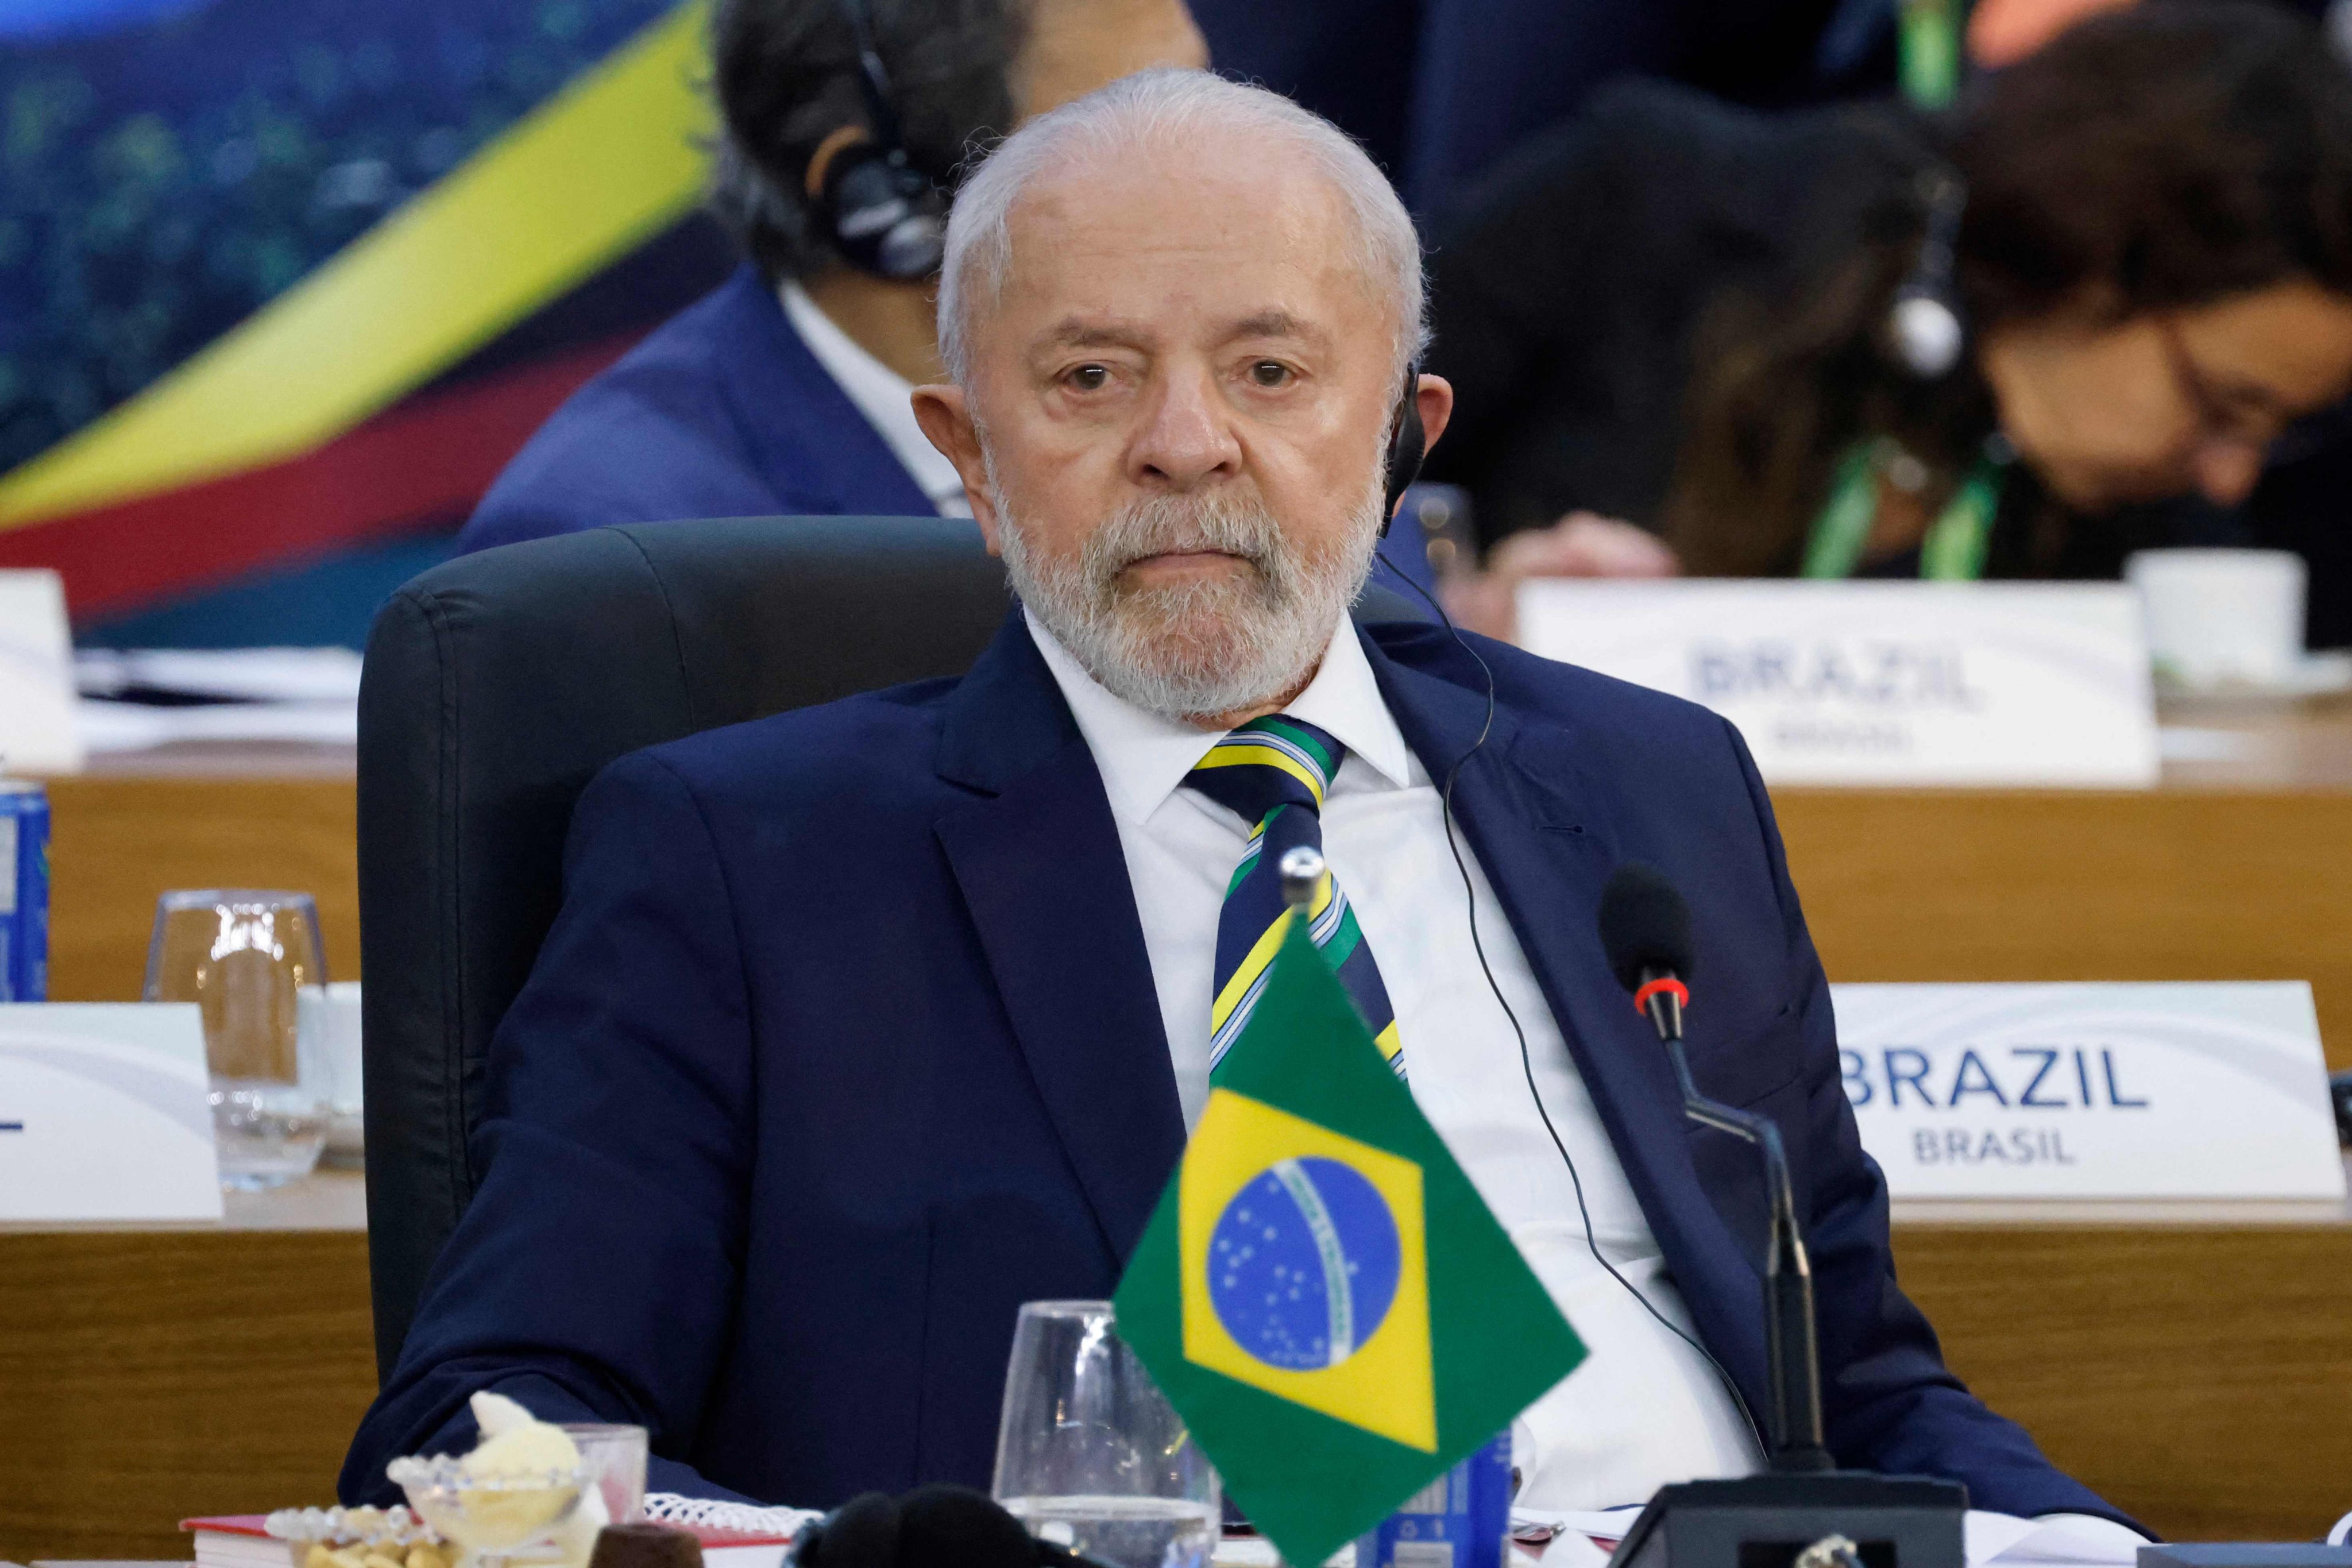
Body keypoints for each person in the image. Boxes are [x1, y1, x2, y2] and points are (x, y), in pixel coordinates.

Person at [343, 70, 2138, 1534]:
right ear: (964, 456)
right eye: (1089, 377)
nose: (1186, 442)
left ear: (1404, 432)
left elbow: (1868, 1384)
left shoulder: (1655, 790)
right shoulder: (743, 860)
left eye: (1272, 372)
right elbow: (486, 1428)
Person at [1425, 3, 2352, 644]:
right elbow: (1299, 455)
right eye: (2222, 404)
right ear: (2096, 258)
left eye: (2278, 434)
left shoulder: (2154, 511)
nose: (2229, 477)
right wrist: (1450, 610)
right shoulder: (1645, 201)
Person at [454, 0, 1206, 553]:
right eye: (1128, 134)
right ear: (881, 201)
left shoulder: (1249, 432)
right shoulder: (614, 551)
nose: (1224, 178)